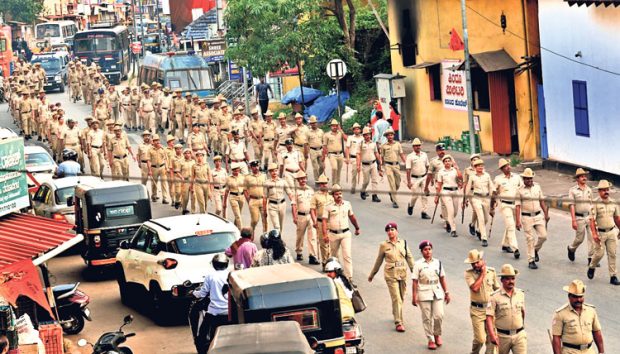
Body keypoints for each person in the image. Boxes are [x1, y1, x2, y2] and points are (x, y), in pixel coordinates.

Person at [368, 222, 415, 332]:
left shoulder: (403, 243)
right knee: (396, 297)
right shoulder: (384, 245)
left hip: (402, 273)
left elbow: (409, 258)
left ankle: (396, 312)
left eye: (392, 230)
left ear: (397, 231)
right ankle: (398, 322)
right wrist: (372, 274)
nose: (390, 232)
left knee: (401, 297)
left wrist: (415, 271)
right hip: (390, 274)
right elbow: (379, 260)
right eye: (388, 230)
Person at [412, 240, 450, 350]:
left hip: (437, 291)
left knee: (439, 315)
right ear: (421, 251)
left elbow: (442, 278)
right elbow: (414, 281)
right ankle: (430, 339)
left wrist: (446, 292)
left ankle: (437, 334)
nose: (428, 251)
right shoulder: (418, 264)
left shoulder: (438, 263)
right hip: (424, 292)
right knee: (427, 318)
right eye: (425, 250)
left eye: (429, 249)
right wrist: (414, 296)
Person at [551, 279, 605, 354]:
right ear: (569, 296)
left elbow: (597, 332)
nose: (579, 300)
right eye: (575, 297)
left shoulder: (591, 311)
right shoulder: (560, 314)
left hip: (589, 351)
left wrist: (601, 352)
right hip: (570, 352)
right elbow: (556, 338)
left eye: (581, 297)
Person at [192, 253, 231, 354]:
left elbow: (202, 293)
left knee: (202, 335)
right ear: (226, 264)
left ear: (214, 265)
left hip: (214, 311)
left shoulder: (210, 276)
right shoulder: (231, 274)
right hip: (229, 311)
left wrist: (193, 292)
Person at [464, 249, 500, 354]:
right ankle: (474, 352)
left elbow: (497, 289)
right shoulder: (468, 274)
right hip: (477, 310)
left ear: (482, 260)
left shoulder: (491, 272)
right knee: (480, 339)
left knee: (491, 338)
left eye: (477, 262)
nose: (475, 265)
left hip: (490, 309)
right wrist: (483, 274)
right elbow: (475, 288)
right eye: (473, 263)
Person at [485, 264, 527, 354]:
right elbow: (489, 317)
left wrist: (521, 328)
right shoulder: (494, 297)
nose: (510, 281)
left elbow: (523, 312)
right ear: (502, 280)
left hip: (519, 335)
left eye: (512, 278)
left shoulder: (520, 294)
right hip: (502, 337)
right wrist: (492, 336)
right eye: (507, 279)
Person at [322, 184, 361, 280]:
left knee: (347, 255)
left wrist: (357, 227)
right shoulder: (328, 207)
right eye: (336, 194)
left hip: (345, 233)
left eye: (340, 193)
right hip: (333, 234)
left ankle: (349, 278)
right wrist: (324, 235)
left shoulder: (347, 204)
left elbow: (352, 217)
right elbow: (324, 221)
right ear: (333, 195)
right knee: (334, 257)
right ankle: (336, 277)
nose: (339, 196)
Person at [515, 168, 550, 270]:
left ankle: (535, 250)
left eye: (531, 179)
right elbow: (517, 206)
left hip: (538, 215)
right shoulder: (519, 190)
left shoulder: (537, 187)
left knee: (543, 236)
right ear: (523, 179)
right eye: (527, 179)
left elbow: (541, 201)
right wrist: (517, 221)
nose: (529, 181)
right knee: (530, 239)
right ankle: (531, 260)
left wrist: (546, 214)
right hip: (526, 217)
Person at [587, 179, 620, 285]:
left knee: (612, 254)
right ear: (599, 191)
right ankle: (592, 266)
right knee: (599, 254)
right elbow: (592, 220)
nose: (606, 192)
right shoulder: (595, 204)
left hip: (611, 231)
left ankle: (613, 276)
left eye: (607, 190)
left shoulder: (614, 203)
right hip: (600, 233)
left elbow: (617, 218)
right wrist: (594, 234)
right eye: (603, 190)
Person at [492, 158, 523, 259]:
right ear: (502, 169)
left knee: (510, 225)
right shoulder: (498, 179)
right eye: (505, 166)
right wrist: (492, 206)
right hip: (505, 205)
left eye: (508, 165)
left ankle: (505, 244)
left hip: (516, 204)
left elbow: (522, 189)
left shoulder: (517, 177)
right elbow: (494, 193)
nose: (508, 167)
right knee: (510, 226)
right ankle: (515, 248)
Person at [567, 168, 594, 264]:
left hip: (589, 217)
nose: (584, 178)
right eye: (582, 176)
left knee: (592, 238)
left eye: (584, 176)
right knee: (580, 239)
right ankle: (571, 249)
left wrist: (594, 217)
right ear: (577, 179)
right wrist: (573, 220)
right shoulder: (573, 191)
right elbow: (572, 205)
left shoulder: (589, 190)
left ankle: (591, 258)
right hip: (579, 218)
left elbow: (592, 204)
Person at [465, 159, 495, 247]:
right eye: (478, 166)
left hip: (486, 198)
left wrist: (493, 199)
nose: (480, 167)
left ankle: (477, 230)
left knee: (486, 219)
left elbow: (491, 187)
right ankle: (484, 238)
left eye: (481, 165)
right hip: (476, 198)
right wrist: (465, 199)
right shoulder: (472, 177)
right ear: (475, 167)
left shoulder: (487, 175)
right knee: (480, 218)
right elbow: (468, 188)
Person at [291, 170, 319, 264]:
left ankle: (312, 255)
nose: (303, 180)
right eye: (301, 179)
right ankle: (299, 251)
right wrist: (294, 217)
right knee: (300, 235)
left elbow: (314, 204)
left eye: (304, 178)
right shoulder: (295, 191)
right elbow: (294, 205)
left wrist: (315, 217)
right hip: (301, 216)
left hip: (310, 215)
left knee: (313, 236)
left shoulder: (310, 190)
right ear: (298, 180)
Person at [435, 155, 461, 237]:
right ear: (443, 163)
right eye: (445, 161)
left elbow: (460, 177)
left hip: (455, 191)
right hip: (446, 192)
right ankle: (453, 230)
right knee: (450, 210)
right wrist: (437, 196)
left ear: (451, 162)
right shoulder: (441, 172)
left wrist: (457, 168)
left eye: (449, 161)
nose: (447, 162)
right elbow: (439, 185)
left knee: (455, 211)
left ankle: (448, 221)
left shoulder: (454, 170)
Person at [380, 128, 406, 208]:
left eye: (391, 135)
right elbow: (382, 157)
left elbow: (401, 154)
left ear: (393, 136)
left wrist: (406, 163)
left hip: (396, 165)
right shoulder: (383, 146)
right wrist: (381, 167)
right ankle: (395, 201)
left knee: (398, 182)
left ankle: (392, 192)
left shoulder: (397, 144)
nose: (390, 136)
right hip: (388, 166)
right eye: (388, 135)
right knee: (392, 183)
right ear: (386, 137)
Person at [406, 138, 430, 219]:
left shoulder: (424, 155)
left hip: (423, 177)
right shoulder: (410, 157)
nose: (418, 147)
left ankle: (424, 212)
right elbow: (408, 170)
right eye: (416, 146)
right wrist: (409, 182)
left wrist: (429, 178)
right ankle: (411, 205)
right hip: (414, 178)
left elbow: (427, 166)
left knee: (424, 196)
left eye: (419, 145)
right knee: (415, 195)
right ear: (413, 147)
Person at [325, 258, 355, 322]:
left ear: (336, 271)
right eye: (327, 272)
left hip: (342, 314)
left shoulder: (334, 283)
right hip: (350, 312)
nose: (328, 274)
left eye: (330, 272)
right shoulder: (344, 280)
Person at [357, 126, 382, 202]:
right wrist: (358, 165)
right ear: (363, 136)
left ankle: (375, 196)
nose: (367, 136)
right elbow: (358, 154)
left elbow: (376, 153)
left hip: (373, 164)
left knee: (375, 180)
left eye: (368, 134)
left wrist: (379, 162)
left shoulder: (373, 144)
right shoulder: (360, 144)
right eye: (366, 135)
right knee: (366, 181)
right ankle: (363, 190)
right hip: (365, 165)